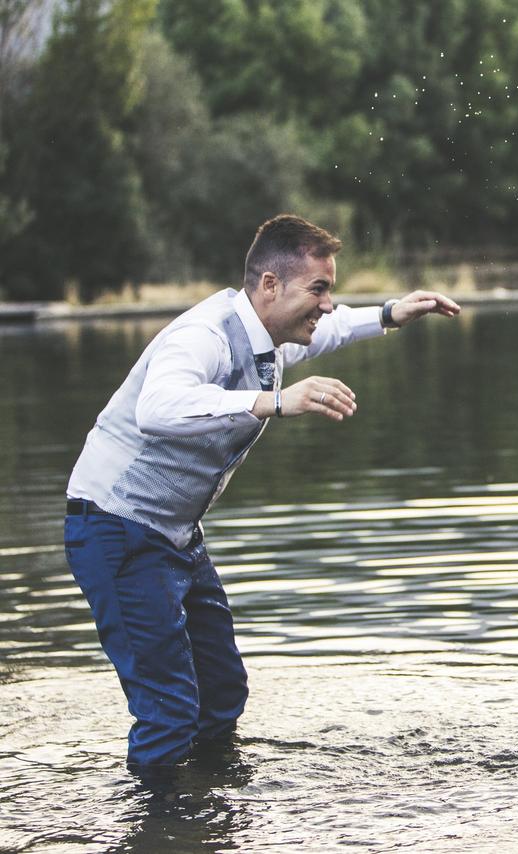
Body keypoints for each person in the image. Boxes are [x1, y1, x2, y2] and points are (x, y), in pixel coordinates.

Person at [64, 214, 461, 770]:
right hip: (116, 528)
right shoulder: (202, 334)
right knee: (169, 710)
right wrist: (276, 401)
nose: (326, 304)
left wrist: (392, 313)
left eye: (330, 291)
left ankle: (208, 807)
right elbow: (159, 409)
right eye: (318, 289)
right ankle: (157, 825)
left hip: (174, 535)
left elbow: (336, 328)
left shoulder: (271, 336)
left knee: (222, 693)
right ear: (270, 285)